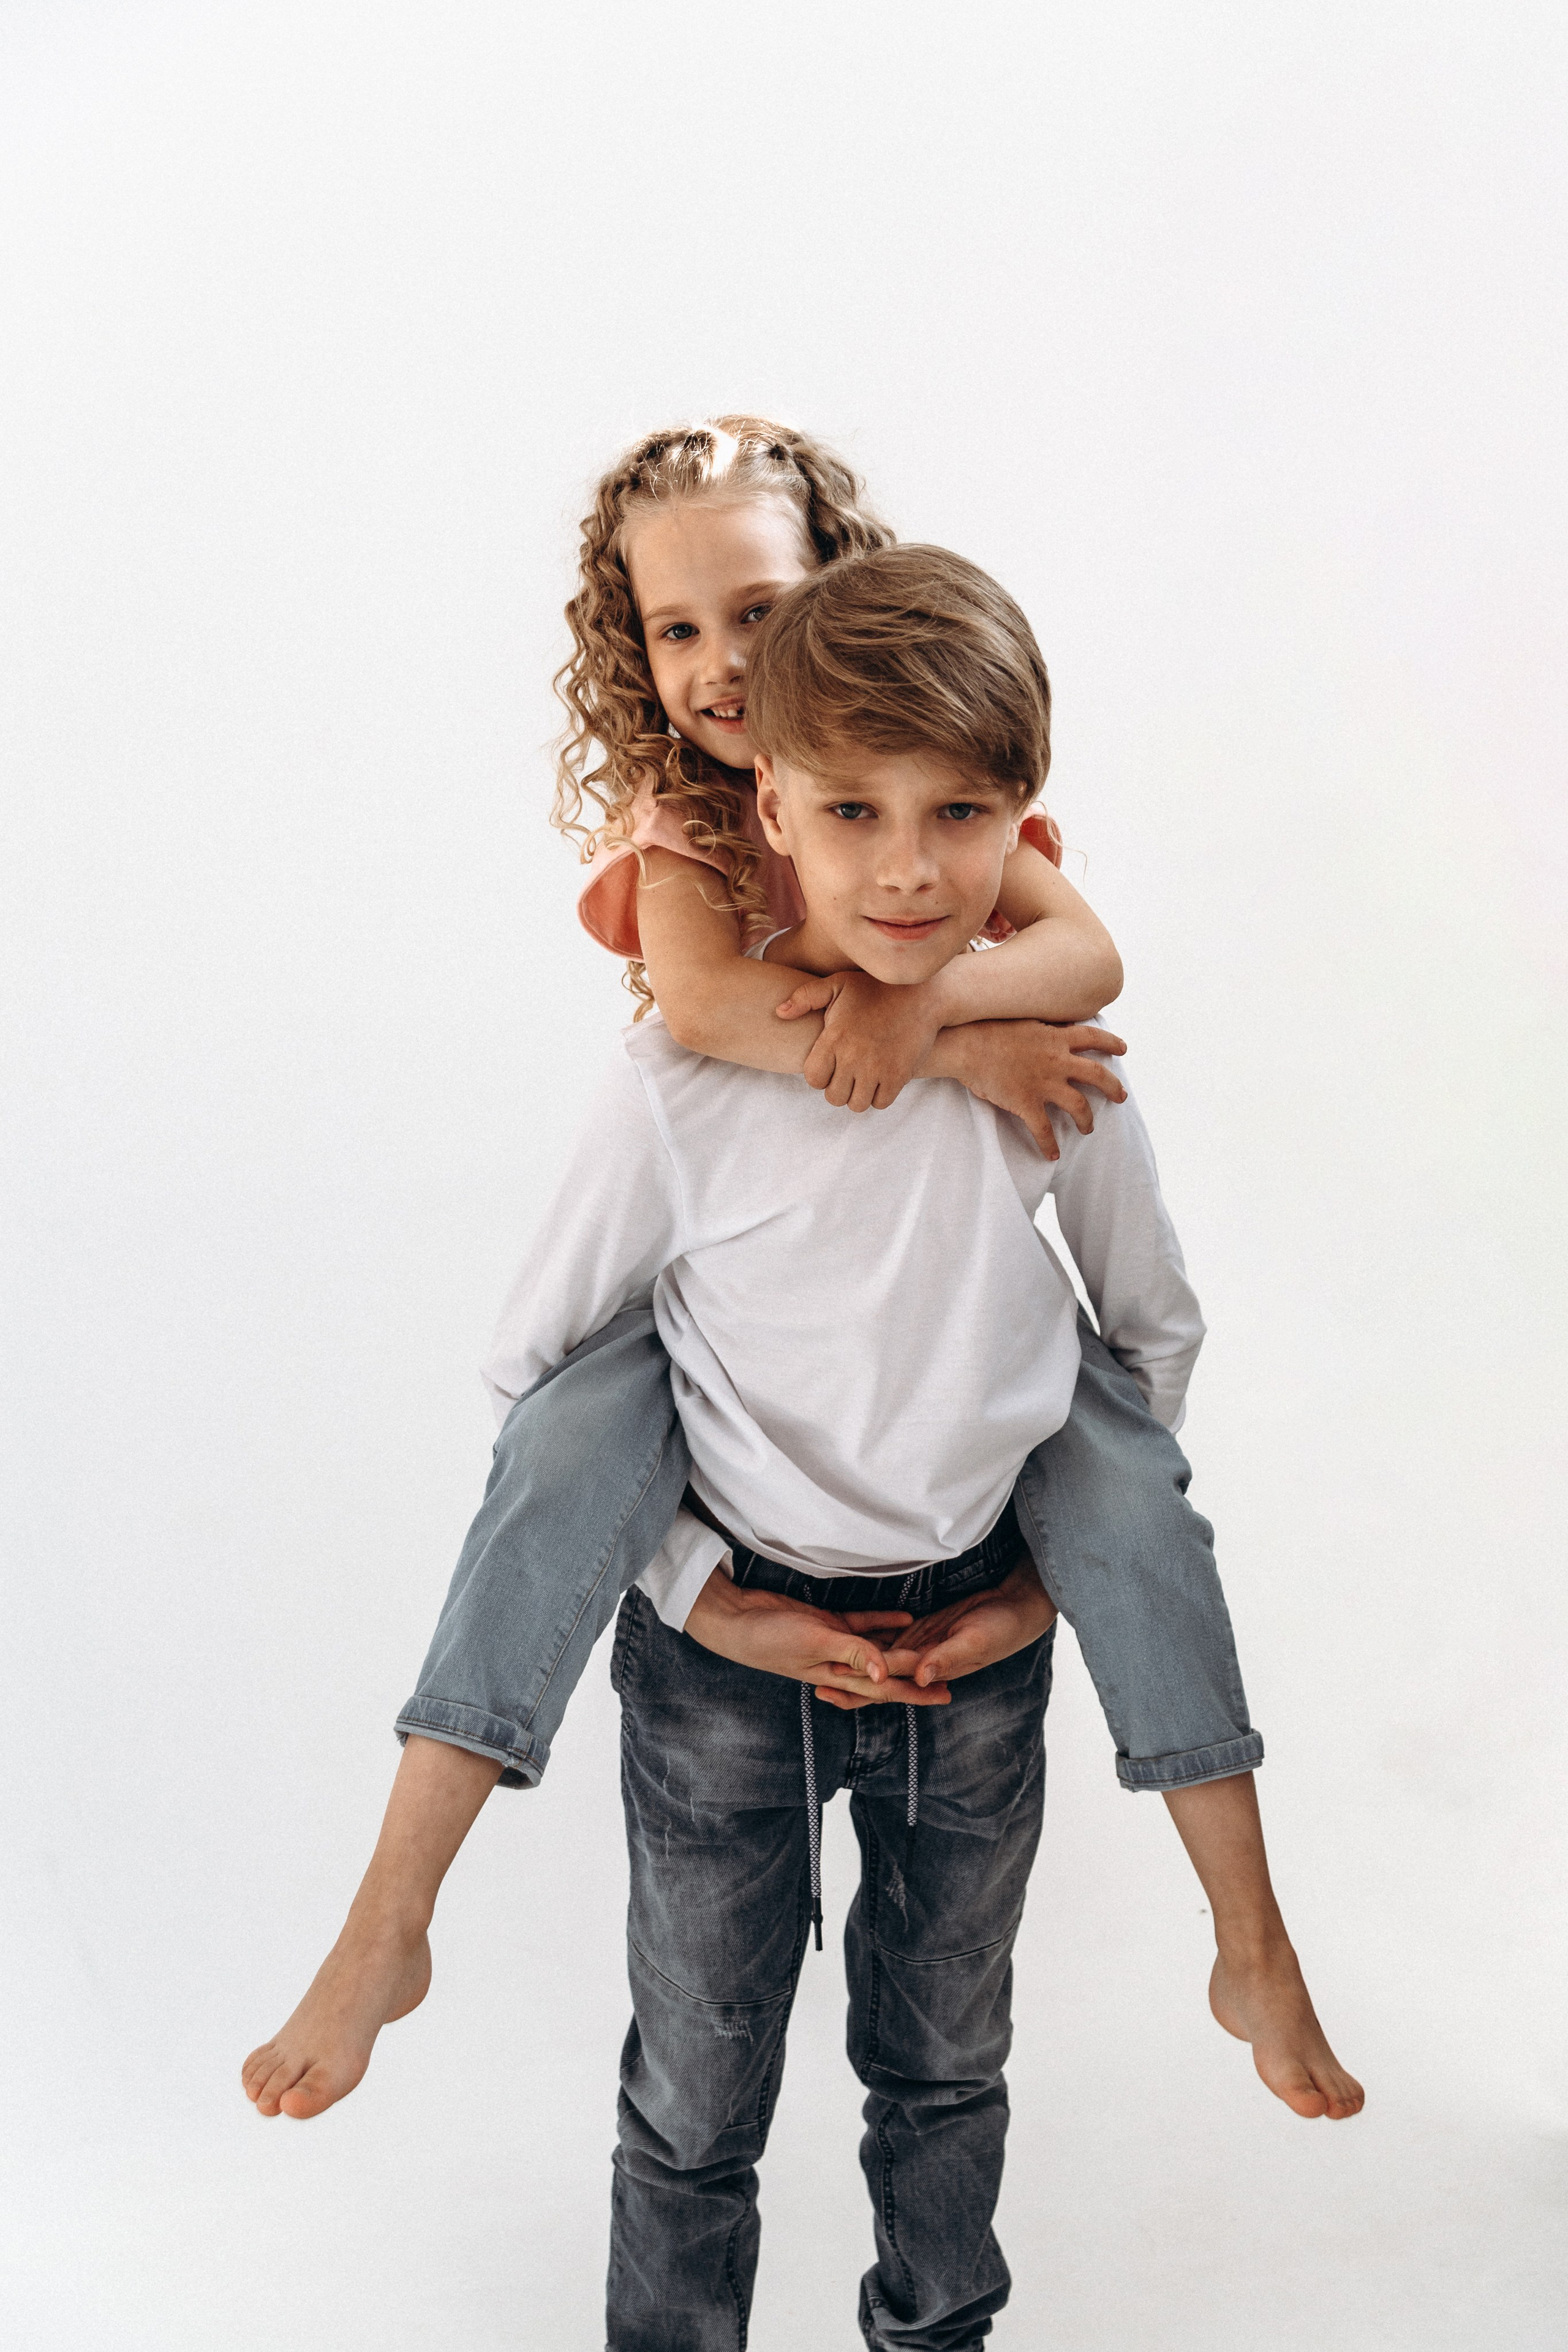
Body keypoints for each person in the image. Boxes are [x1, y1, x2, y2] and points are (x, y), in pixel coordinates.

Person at [243, 445, 1361, 2211]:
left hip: (952, 1430)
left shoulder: (935, 787)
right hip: (722, 1352)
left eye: (758, 614)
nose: (720, 667)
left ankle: (1252, 1935)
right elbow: (696, 1010)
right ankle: (393, 1922)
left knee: (1137, 1495)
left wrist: (940, 1026)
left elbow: (1088, 970)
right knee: (558, 1449)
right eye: (674, 628)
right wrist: (939, 1034)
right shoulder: (692, 835)